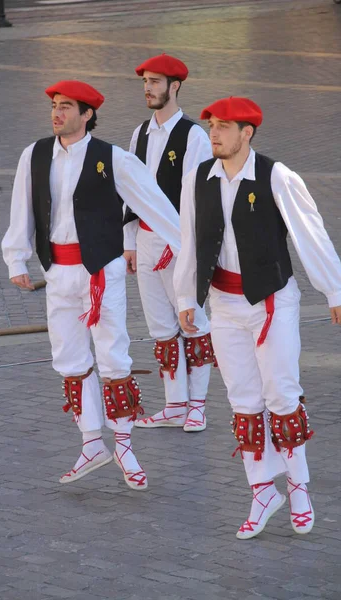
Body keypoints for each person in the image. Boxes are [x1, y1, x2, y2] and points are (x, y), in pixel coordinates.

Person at [174, 96, 341, 538]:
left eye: (223, 126)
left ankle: (299, 489)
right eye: (211, 124)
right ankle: (261, 492)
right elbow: (189, 239)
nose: (213, 133)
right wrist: (185, 298)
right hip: (224, 305)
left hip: (271, 301)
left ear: (246, 133)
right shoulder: (199, 178)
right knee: (242, 399)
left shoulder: (277, 176)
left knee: (281, 394)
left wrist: (334, 288)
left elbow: (310, 230)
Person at [2, 80, 182, 491]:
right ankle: (90, 444)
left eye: (66, 106)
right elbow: (23, 208)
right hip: (58, 272)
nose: (56, 112)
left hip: (102, 271)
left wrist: (188, 252)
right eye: (53, 105)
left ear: (87, 115)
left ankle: (123, 444)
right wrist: (16, 256)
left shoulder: (112, 159)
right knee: (68, 357)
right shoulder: (34, 155)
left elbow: (155, 204)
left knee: (113, 356)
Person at [123, 54, 215, 433]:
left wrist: (180, 243)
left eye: (155, 82)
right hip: (144, 240)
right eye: (145, 81)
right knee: (161, 327)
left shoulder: (194, 136)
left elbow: (200, 198)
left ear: (174, 86)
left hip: (178, 244)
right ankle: (175, 404)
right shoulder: (139, 133)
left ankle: (198, 406)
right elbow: (129, 191)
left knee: (191, 320)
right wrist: (129, 241)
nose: (148, 88)